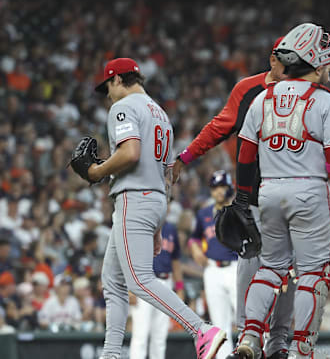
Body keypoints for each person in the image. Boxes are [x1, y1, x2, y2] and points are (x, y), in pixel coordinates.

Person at [80, 58, 226, 359]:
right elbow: (168, 172)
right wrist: (158, 224)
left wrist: (97, 172)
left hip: (134, 198)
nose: (107, 94)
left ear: (119, 79)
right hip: (155, 198)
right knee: (113, 280)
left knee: (138, 280)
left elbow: (130, 153)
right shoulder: (160, 113)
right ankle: (111, 355)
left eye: (107, 86)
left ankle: (201, 329)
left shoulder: (123, 107)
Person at [171, 37, 293, 359]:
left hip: (293, 192)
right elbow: (219, 127)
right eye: (289, 60)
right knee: (249, 264)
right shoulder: (247, 90)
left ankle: (279, 341)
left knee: (288, 268)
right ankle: (247, 339)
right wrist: (185, 156)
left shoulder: (307, 94)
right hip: (253, 193)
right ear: (273, 59)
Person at [234, 23, 330, 359]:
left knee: (270, 268)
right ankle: (301, 348)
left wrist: (243, 196)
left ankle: (250, 337)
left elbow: (245, 154)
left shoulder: (262, 98)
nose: (329, 68)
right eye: (326, 63)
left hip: (268, 191)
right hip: (308, 191)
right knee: (313, 273)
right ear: (313, 62)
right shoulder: (325, 101)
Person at [189, 171, 239, 358]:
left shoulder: (238, 211)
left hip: (235, 267)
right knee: (219, 322)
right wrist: (194, 249)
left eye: (223, 187)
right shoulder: (204, 213)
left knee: (244, 319)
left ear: (230, 188)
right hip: (212, 269)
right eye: (215, 187)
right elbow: (194, 238)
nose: (219, 191)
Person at [129, 220, 183, 359]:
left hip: (166, 282)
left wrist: (179, 288)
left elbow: (175, 260)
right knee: (140, 334)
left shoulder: (171, 228)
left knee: (160, 335)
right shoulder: (141, 224)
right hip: (144, 281)